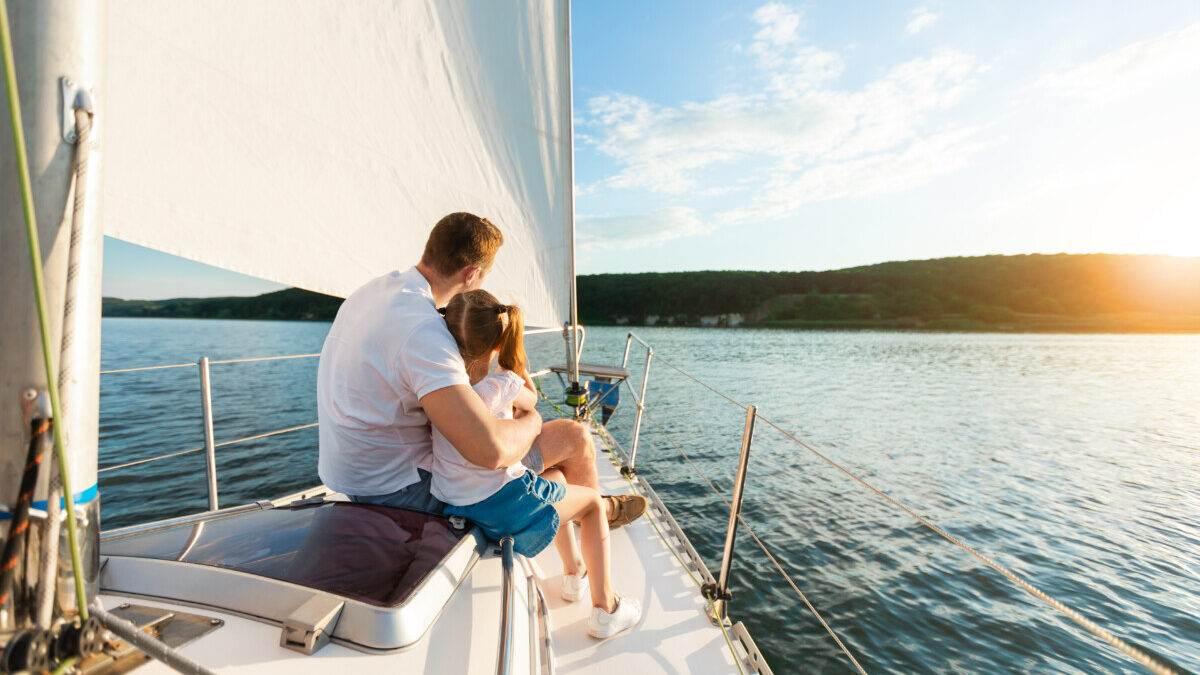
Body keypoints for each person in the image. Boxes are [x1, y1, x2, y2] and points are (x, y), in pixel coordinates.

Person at [316, 212, 646, 522]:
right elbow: (491, 452)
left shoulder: (374, 292)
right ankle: (595, 515)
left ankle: (579, 505)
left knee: (553, 473)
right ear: (471, 274)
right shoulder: (423, 329)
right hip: (401, 490)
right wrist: (532, 420)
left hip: (354, 476)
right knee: (574, 437)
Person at [433, 290, 641, 638]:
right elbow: (533, 404)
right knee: (590, 503)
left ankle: (574, 572)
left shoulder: (444, 390)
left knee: (557, 478)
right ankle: (607, 609)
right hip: (500, 506)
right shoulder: (505, 383)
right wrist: (516, 363)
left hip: (457, 501)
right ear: (497, 343)